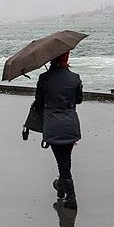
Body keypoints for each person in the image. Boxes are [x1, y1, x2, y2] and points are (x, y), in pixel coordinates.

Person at [34, 51, 83, 209]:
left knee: (63, 162)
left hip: (53, 126)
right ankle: (61, 187)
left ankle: (71, 197)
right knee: (64, 160)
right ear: (66, 59)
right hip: (70, 125)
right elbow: (79, 100)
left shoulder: (44, 78)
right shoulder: (75, 77)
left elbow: (39, 103)